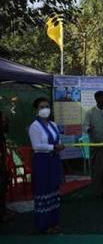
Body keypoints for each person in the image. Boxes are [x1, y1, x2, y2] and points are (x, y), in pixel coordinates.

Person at [28, 97, 65, 233]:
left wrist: (59, 146)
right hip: (42, 161)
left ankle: (54, 222)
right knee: (43, 190)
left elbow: (58, 139)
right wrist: (53, 147)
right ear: (36, 110)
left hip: (53, 160)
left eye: (47, 106)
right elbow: (36, 145)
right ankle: (43, 225)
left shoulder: (53, 125)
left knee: (53, 190)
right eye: (42, 107)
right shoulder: (34, 126)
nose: (45, 109)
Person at [83, 91, 103, 197]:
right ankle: (97, 190)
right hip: (96, 145)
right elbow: (85, 126)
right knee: (97, 168)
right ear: (97, 99)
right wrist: (89, 129)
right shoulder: (90, 112)